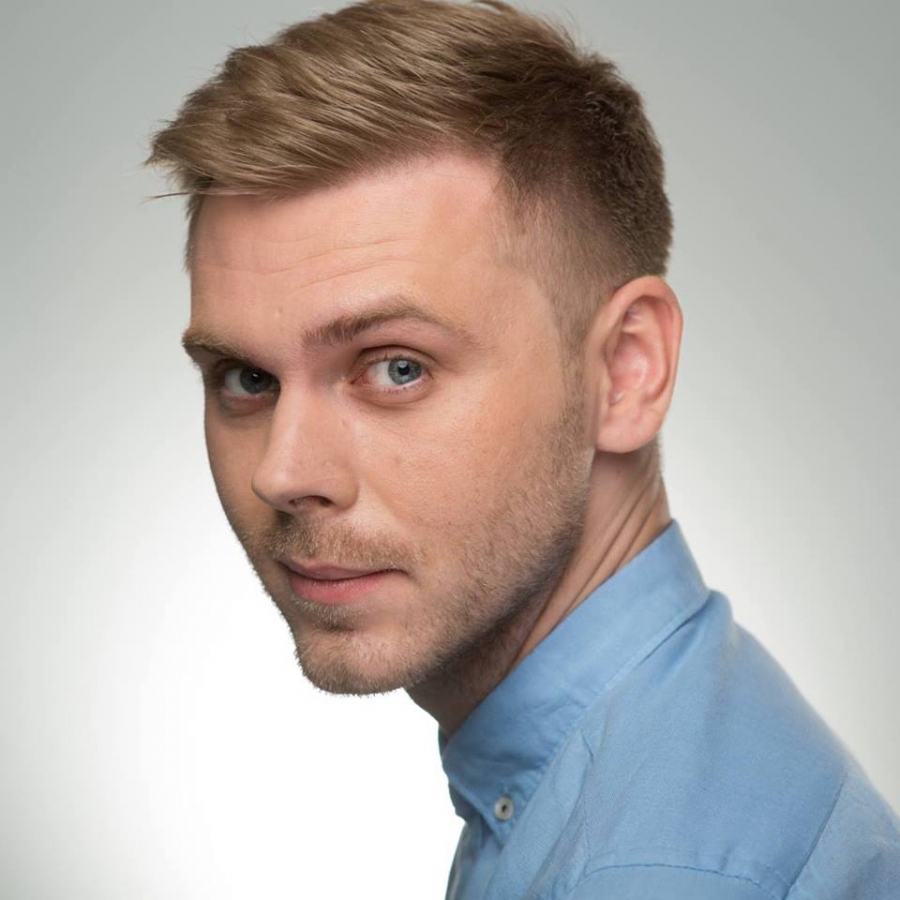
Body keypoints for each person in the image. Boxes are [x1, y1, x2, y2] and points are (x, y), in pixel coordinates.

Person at [144, 0, 900, 896]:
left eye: (395, 368)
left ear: (625, 370)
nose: (283, 472)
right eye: (245, 378)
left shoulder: (654, 872)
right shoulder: (623, 764)